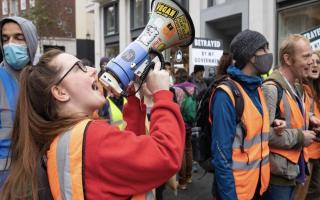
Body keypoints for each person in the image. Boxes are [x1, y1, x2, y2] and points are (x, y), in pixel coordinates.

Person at [1, 49, 186, 199]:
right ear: (60, 92)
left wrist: (134, 101)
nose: (93, 70)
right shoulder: (92, 137)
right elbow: (166, 154)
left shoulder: (65, 139)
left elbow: (134, 163)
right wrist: (162, 94)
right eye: (80, 68)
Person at [211, 29, 285, 200]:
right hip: (237, 191)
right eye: (264, 49)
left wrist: (272, 124)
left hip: (258, 186)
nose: (268, 54)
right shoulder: (226, 95)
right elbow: (221, 157)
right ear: (250, 55)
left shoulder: (257, 88)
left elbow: (248, 126)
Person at [262, 34, 318, 200]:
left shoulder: (296, 87)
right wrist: (300, 136)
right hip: (277, 178)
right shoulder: (271, 89)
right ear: (287, 59)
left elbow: (287, 117)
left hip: (292, 172)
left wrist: (308, 118)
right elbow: (263, 134)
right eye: (306, 56)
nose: (311, 61)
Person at [0, 16, 38, 187]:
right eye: (5, 39)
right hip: (4, 177)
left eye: (18, 37)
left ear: (31, 40)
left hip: (38, 174)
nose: (10, 44)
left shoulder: (43, 80)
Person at [296, 51, 320, 199]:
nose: (315, 65)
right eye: (312, 62)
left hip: (317, 154)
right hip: (305, 156)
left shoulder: (317, 91)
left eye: (318, 62)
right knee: (302, 195)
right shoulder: (300, 89)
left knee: (315, 194)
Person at [172, 68, 196, 190]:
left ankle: (182, 182)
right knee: (189, 149)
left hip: (179, 124)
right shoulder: (192, 87)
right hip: (190, 123)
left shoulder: (174, 89)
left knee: (181, 151)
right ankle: (189, 176)